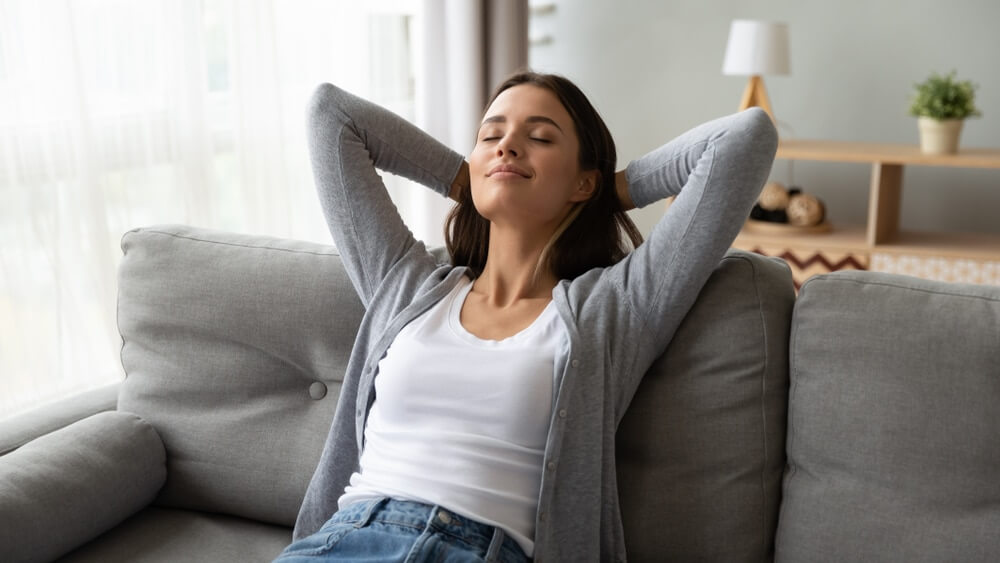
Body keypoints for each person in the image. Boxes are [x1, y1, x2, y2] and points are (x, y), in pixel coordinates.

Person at [275, 71, 777, 562]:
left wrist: (608, 193)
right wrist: (466, 177)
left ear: (583, 181)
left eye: (538, 138)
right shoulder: (404, 285)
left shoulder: (616, 307)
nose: (507, 145)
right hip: (345, 541)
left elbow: (744, 138)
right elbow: (331, 115)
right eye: (491, 135)